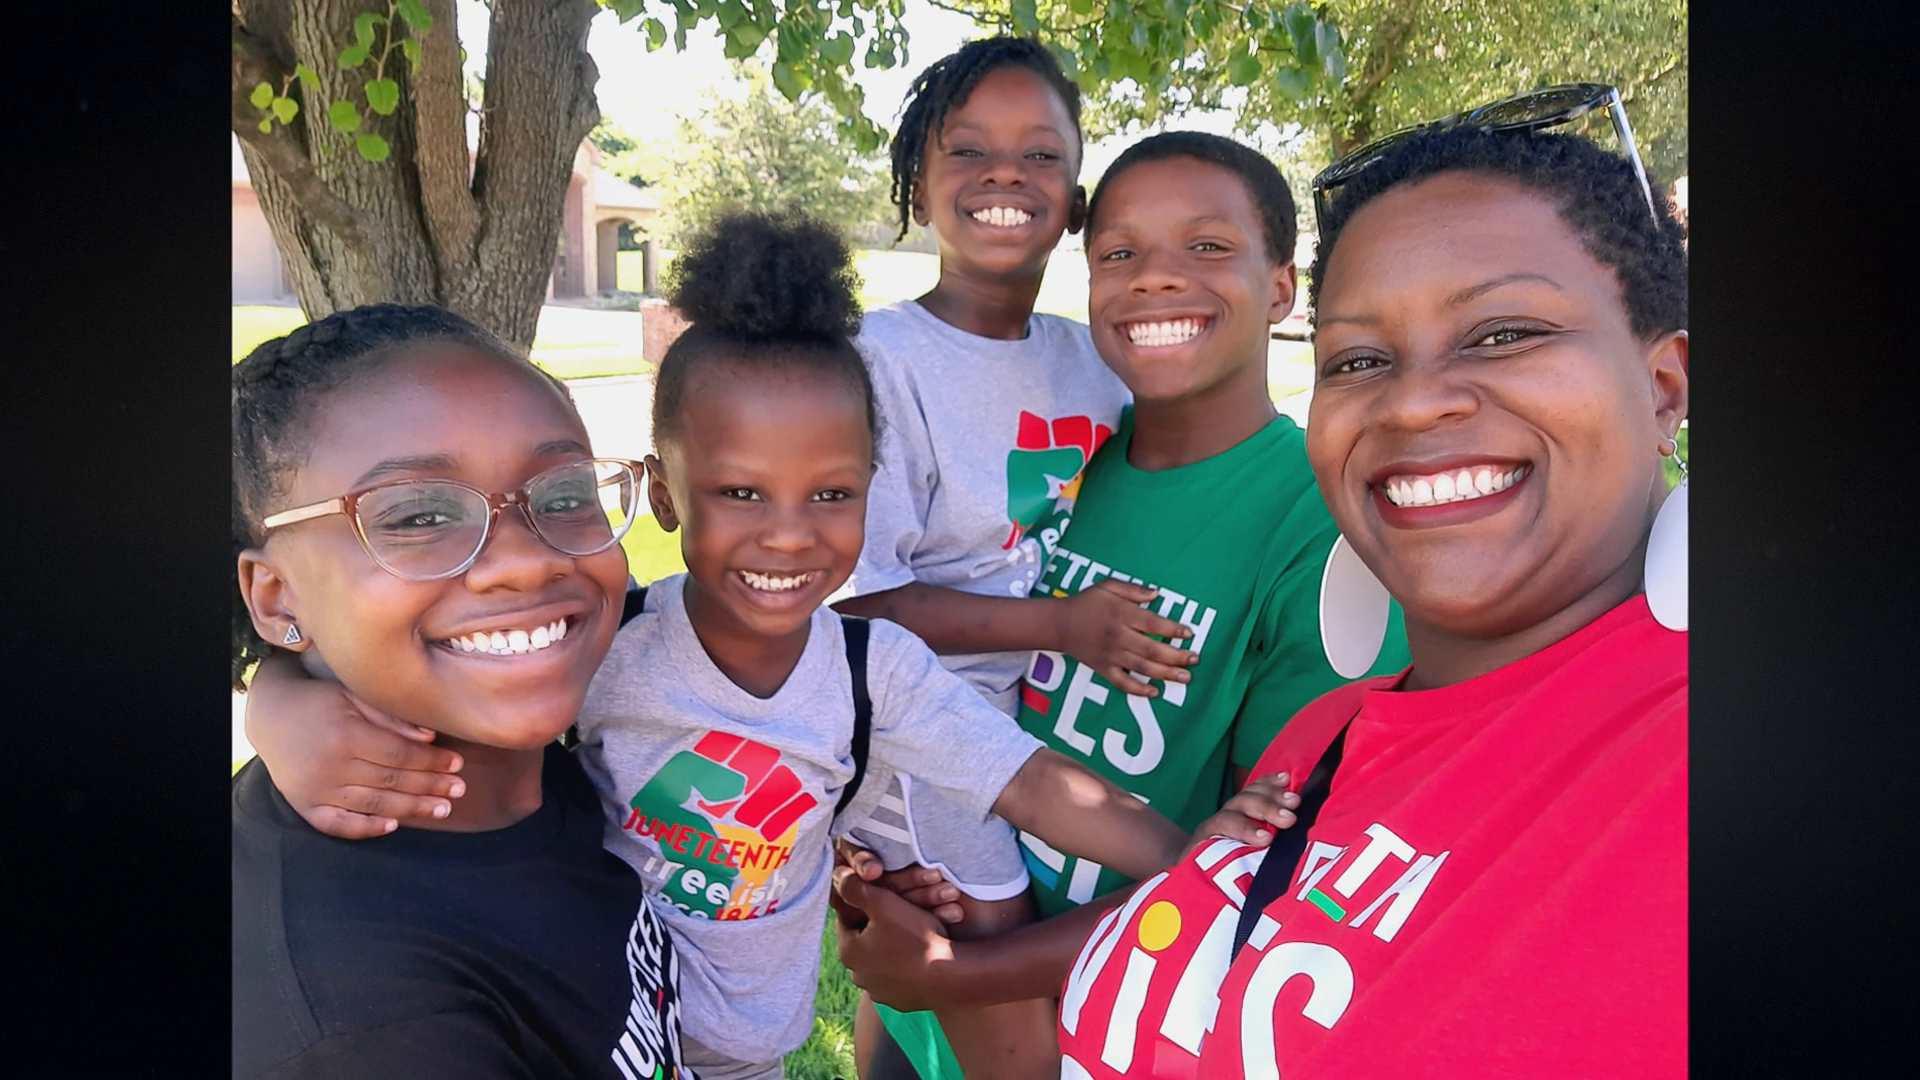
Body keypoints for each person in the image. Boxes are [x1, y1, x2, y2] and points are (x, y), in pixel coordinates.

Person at [238, 211, 1297, 1080]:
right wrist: (283, 699)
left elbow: (1031, 784)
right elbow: (445, 685)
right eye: (741, 493)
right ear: (665, 495)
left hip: (750, 1049)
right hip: (649, 1020)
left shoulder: (871, 670)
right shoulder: (611, 648)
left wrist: (1198, 857)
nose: (789, 535)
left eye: (830, 496)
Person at [1050, 98, 1689, 1077]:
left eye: (1503, 332)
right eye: (1358, 358)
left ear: (1665, 386)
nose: (1414, 400)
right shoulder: (1326, 737)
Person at [828, 131, 1409, 1065]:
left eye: (1208, 246)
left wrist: (961, 973)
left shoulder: (1320, 529)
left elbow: (1262, 871)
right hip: (919, 970)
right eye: (1119, 253)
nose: (1156, 277)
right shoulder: (1066, 462)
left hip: (1086, 1021)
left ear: (1282, 288)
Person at [827, 37, 1215, 1078]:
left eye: (1041, 154)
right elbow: (854, 611)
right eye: (967, 150)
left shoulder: (1093, 360)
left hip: (1023, 717)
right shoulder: (875, 362)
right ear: (918, 184)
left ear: (1076, 201)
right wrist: (1059, 626)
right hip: (917, 721)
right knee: (994, 993)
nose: (1005, 175)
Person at [229, 304, 688, 1078]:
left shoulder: (584, 731)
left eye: (564, 494)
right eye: (418, 515)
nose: (527, 560)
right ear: (276, 599)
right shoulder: (371, 1023)